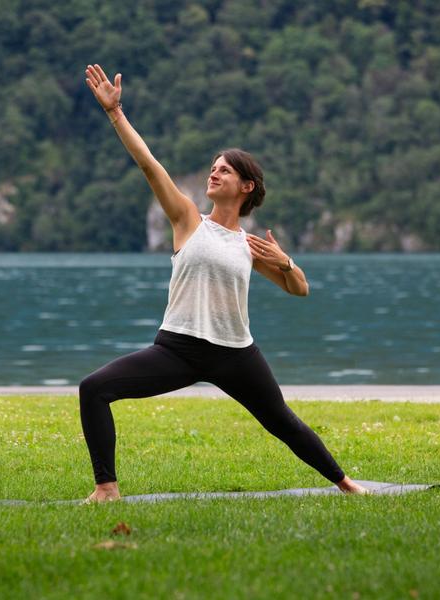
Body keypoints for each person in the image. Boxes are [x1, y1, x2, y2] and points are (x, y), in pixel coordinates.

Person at [80, 63, 369, 502]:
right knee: (94, 388)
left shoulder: (249, 245)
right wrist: (115, 113)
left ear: (246, 186)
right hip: (178, 348)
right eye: (213, 168)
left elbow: (300, 288)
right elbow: (149, 165)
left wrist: (285, 262)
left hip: (235, 353)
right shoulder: (187, 220)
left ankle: (346, 485)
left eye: (224, 171)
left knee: (281, 421)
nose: (213, 174)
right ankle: (107, 488)